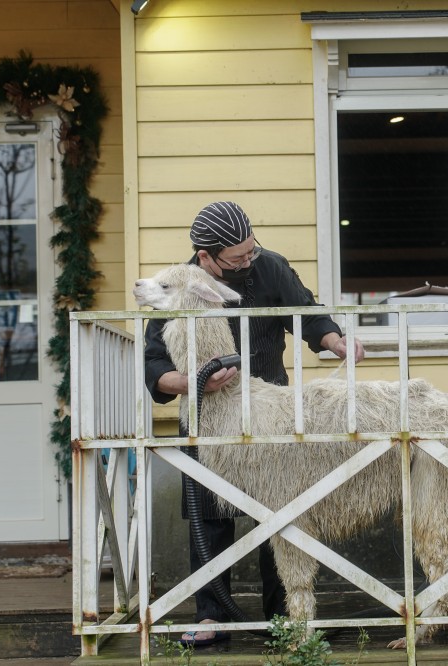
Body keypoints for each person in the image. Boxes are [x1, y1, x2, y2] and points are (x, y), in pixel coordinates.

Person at [143, 201, 365, 647]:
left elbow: (307, 313)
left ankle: (282, 617)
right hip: (209, 417)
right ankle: (212, 618)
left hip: (270, 412)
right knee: (208, 513)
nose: (248, 262)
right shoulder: (181, 285)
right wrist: (192, 382)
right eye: (237, 259)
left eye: (251, 252)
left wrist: (335, 339)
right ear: (205, 257)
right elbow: (153, 363)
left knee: (278, 511)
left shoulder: (270, 268)